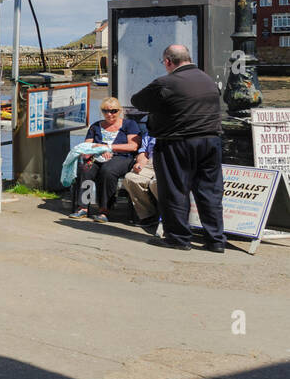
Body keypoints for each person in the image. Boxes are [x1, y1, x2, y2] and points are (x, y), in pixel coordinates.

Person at [131, 44, 224, 252]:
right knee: (209, 191)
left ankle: (178, 238)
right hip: (211, 141)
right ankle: (216, 240)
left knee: (175, 190)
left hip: (177, 142)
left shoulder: (167, 82)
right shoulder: (208, 80)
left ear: (168, 62)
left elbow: (138, 101)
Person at [71, 97, 141, 222]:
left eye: (113, 111)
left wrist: (109, 147)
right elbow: (87, 145)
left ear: (119, 111)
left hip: (122, 157)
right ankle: (83, 207)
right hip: (98, 156)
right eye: (105, 111)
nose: (109, 114)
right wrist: (101, 151)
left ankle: (104, 209)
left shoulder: (130, 125)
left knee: (108, 171)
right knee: (85, 168)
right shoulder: (96, 126)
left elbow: (133, 146)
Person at [121, 126, 158, 229]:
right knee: (131, 178)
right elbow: (143, 152)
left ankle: (169, 216)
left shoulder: (178, 131)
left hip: (169, 164)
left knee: (157, 183)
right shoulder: (150, 133)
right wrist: (140, 163)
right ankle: (148, 215)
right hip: (150, 163)